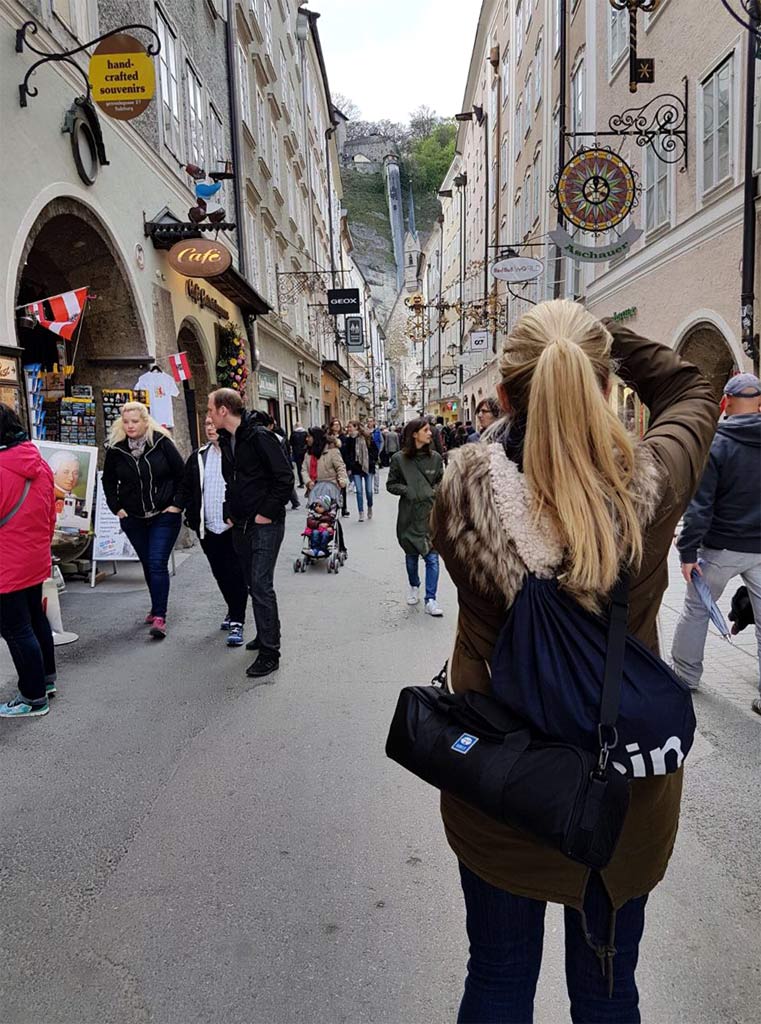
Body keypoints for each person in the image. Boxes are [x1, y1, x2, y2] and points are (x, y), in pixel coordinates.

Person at [428, 300, 717, 1023]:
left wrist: (543, 370)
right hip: (617, 791)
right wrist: (595, 332)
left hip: (501, 782)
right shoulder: (651, 487)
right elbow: (694, 389)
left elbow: (505, 459)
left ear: (502, 393)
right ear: (602, 384)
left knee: (495, 977)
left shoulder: (461, 495)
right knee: (608, 989)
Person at [671, 372, 761, 714]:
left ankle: (685, 675)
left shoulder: (718, 444)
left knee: (696, 610)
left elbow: (701, 504)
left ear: (726, 401)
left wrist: (687, 551)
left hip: (722, 546)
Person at [207, 388, 294, 679]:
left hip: (266, 523)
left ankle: (270, 652)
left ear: (222, 410)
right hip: (241, 523)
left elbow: (284, 477)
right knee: (251, 582)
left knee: (260, 584)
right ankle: (264, 634)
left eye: (210, 409)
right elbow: (231, 482)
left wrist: (266, 512)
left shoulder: (258, 437)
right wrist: (230, 512)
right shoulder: (228, 439)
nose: (207, 414)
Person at [102, 401, 185, 639]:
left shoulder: (161, 443)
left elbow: (182, 475)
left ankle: (160, 616)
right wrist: (116, 507)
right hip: (133, 517)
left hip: (164, 515)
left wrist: (176, 505)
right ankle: (155, 605)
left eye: (134, 421)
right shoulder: (116, 450)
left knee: (157, 562)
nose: (130, 426)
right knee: (148, 563)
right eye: (126, 422)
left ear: (145, 421)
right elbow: (108, 481)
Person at [0, 403, 57, 719]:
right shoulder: (37, 462)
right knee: (36, 618)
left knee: (15, 627)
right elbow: (50, 513)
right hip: (33, 556)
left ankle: (33, 698)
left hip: (6, 561)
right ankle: (45, 681)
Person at [178, 415, 248, 647]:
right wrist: (190, 516)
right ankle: (233, 607)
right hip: (208, 527)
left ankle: (238, 619)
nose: (209, 428)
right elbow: (187, 488)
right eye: (206, 424)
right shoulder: (199, 457)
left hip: (232, 525)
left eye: (213, 423)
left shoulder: (238, 453)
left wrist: (238, 515)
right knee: (220, 573)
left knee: (236, 572)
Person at [387, 417, 444, 616]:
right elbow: (391, 484)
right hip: (409, 516)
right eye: (426, 430)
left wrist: (433, 491)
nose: (431, 433)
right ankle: (414, 585)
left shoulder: (436, 458)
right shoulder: (398, 459)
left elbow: (440, 481)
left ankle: (431, 599)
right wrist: (407, 490)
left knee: (433, 558)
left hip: (429, 515)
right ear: (414, 434)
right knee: (411, 557)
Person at [343, 420, 377, 522]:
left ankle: (369, 506)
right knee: (359, 491)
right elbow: (347, 454)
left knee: (369, 491)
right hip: (356, 468)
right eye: (348, 427)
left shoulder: (367, 437)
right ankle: (361, 512)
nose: (348, 429)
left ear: (356, 427)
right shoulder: (349, 440)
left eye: (350, 427)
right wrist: (350, 465)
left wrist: (371, 461)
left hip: (368, 467)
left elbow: (375, 451)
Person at [305, 426, 349, 501]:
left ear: (316, 438)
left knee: (327, 511)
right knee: (314, 511)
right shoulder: (308, 453)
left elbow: (340, 467)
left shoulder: (332, 451)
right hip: (314, 488)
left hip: (330, 488)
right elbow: (304, 470)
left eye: (309, 436)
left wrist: (342, 479)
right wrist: (308, 481)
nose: (307, 439)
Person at [328, 417, 350, 517]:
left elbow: (347, 452)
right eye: (335, 424)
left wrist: (347, 465)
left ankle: (344, 507)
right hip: (330, 464)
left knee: (342, 486)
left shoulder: (343, 437)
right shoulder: (328, 437)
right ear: (331, 426)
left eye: (338, 424)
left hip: (342, 463)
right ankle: (333, 506)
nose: (337, 426)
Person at [290, 422, 308, 488]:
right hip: (304, 452)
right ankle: (307, 480)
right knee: (305, 466)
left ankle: (301, 482)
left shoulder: (293, 433)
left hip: (297, 452)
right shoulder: (305, 433)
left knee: (299, 467)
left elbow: (290, 442)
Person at [367, 418, 383, 493]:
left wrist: (379, 451)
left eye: (371, 421)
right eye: (368, 421)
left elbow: (382, 441)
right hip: (368, 454)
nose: (369, 423)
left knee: (376, 471)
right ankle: (369, 487)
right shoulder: (365, 431)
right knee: (369, 472)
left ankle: (376, 487)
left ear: (373, 422)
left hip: (376, 454)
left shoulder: (377, 431)